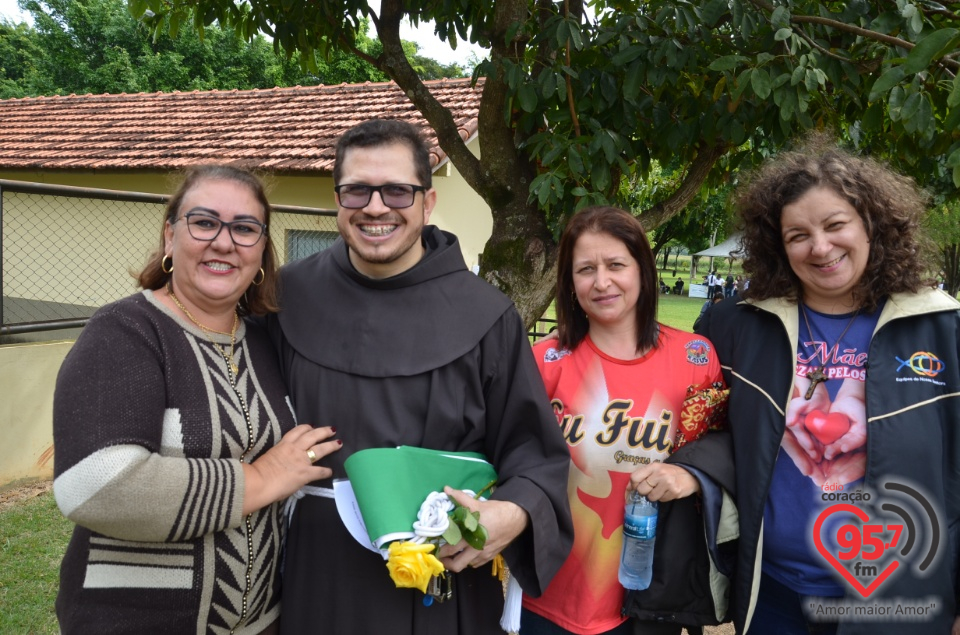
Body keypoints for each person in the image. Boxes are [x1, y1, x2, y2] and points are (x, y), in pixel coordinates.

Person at [269, 119, 573, 634]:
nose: (376, 206)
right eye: (357, 190)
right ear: (337, 199)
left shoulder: (485, 315)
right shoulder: (288, 296)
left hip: (440, 579)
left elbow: (534, 454)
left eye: (397, 191)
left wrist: (513, 515)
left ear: (427, 203)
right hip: (314, 572)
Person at [52, 165, 341, 634]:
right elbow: (94, 486)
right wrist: (260, 478)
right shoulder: (126, 332)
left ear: (262, 251)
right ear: (170, 236)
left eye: (245, 229)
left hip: (260, 623)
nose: (224, 242)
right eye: (205, 222)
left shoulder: (264, 342)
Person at [698, 139, 960, 635]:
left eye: (835, 225)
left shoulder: (941, 327)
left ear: (871, 226)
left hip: (897, 597)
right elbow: (696, 413)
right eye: (798, 234)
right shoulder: (738, 325)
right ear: (778, 244)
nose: (819, 247)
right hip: (772, 592)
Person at [522, 206, 735, 635]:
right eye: (585, 269)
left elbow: (727, 447)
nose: (602, 282)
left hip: (654, 596)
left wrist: (691, 476)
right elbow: (512, 458)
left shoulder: (696, 356)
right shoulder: (544, 361)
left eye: (616, 264)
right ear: (569, 281)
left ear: (643, 268)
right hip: (551, 594)